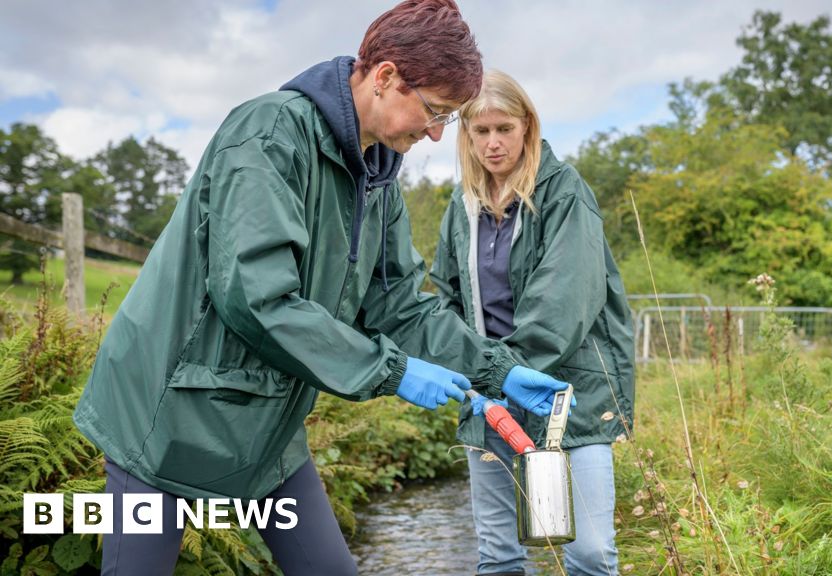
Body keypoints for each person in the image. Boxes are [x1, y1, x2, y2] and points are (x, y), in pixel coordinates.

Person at [73, 3, 569, 575]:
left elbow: (399, 300)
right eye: (435, 111)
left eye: (448, 119)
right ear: (384, 77)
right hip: (166, 411)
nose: (436, 134)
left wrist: (496, 369)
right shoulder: (266, 135)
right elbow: (257, 301)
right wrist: (395, 372)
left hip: (268, 421)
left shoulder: (377, 170)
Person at [430, 70, 636, 576]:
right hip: (491, 400)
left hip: (571, 392)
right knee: (498, 557)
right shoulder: (461, 208)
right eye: (481, 131)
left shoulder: (564, 193)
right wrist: (472, 377)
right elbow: (447, 299)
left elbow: (563, 300)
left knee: (589, 553)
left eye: (505, 128)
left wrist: (506, 373)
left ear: (528, 127)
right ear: (467, 136)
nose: (493, 143)